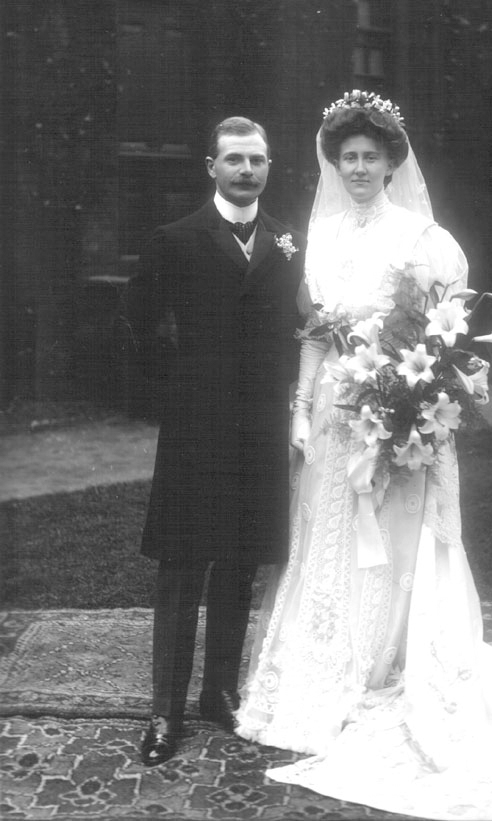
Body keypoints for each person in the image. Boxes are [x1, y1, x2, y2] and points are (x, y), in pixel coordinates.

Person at [235, 93, 492, 819]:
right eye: (350, 158)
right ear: (335, 164)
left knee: (396, 542)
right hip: (337, 412)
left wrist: (410, 412)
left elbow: (444, 336)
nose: (361, 167)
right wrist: (302, 410)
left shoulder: (424, 237)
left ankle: (392, 663)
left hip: (394, 407)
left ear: (393, 163)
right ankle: (323, 670)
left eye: (373, 157)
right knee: (328, 535)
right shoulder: (323, 233)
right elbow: (313, 331)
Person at [127, 116, 305, 766]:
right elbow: (137, 323)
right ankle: (163, 712)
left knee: (238, 563)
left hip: (259, 431)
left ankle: (219, 693)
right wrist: (174, 389)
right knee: (182, 568)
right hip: (194, 432)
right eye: (233, 159)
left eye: (257, 159)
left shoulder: (290, 241)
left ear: (268, 166)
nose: (246, 170)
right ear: (210, 166)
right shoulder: (174, 239)